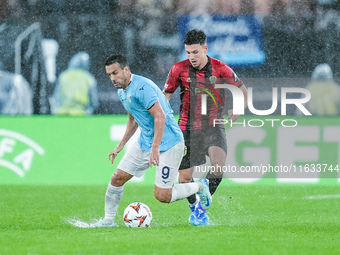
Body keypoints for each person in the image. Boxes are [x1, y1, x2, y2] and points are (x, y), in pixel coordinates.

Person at [95, 54, 212, 227]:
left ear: (126, 70)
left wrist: (155, 148)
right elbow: (133, 120)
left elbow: (160, 117)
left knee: (163, 196)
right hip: (146, 142)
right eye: (109, 75)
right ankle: (108, 221)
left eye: (115, 73)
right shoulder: (122, 92)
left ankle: (200, 186)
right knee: (117, 178)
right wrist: (120, 146)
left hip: (170, 143)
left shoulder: (143, 88)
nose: (112, 78)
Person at [163, 29, 248, 226]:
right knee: (184, 179)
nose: (191, 57)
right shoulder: (178, 69)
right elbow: (165, 95)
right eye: (188, 52)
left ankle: (205, 190)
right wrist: (162, 116)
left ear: (205, 49)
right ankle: (198, 211)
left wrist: (238, 109)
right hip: (186, 128)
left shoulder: (221, 69)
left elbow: (243, 91)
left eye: (195, 52)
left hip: (213, 125)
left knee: (218, 165)